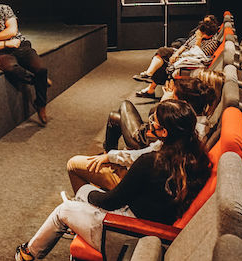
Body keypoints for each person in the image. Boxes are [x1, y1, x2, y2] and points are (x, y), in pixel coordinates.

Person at [15, 100, 212, 260]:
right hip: (154, 225)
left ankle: (27, 253)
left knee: (63, 209)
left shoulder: (151, 162)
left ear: (164, 133)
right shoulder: (197, 158)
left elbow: (111, 201)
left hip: (127, 231)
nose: (150, 123)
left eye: (155, 121)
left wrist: (86, 194)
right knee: (80, 200)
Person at [67, 71, 222, 193]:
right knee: (115, 119)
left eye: (173, 98)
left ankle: (79, 205)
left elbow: (146, 155)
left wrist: (112, 157)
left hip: (140, 182)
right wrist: (112, 156)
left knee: (74, 164)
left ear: (183, 104)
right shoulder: (195, 128)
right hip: (144, 172)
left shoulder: (181, 135)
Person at [135, 19, 220, 98]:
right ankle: (149, 76)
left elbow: (197, 54)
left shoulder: (213, 43)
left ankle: (150, 85)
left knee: (164, 64)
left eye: (202, 33)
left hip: (189, 60)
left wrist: (199, 39)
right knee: (162, 51)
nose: (199, 33)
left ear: (209, 35)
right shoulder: (198, 33)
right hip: (182, 54)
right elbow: (185, 45)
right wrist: (176, 53)